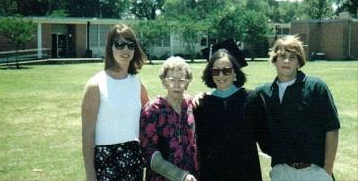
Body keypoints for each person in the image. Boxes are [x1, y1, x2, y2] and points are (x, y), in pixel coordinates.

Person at [255, 35, 340, 181]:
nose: (286, 61)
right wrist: (203, 96)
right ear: (274, 60)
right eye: (282, 56)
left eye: (292, 57)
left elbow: (332, 129)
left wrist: (327, 170)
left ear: (299, 62)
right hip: (281, 171)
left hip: (314, 170)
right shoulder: (263, 93)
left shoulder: (315, 87)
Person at [81, 24, 149, 181]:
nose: (126, 50)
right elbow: (87, 134)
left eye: (130, 45)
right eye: (119, 44)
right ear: (110, 47)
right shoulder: (95, 85)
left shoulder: (137, 82)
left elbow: (151, 115)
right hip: (105, 161)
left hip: (134, 160)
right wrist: (90, 173)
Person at [194, 39, 268, 181]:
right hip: (213, 174)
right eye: (216, 71)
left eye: (226, 70)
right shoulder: (202, 106)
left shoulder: (251, 99)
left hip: (246, 173)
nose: (221, 76)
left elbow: (266, 139)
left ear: (235, 72)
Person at [140, 56, 198, 181]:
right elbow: (149, 153)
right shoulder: (153, 109)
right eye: (172, 79)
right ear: (164, 82)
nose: (176, 85)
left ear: (187, 82)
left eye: (181, 80)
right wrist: (180, 176)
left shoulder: (190, 105)